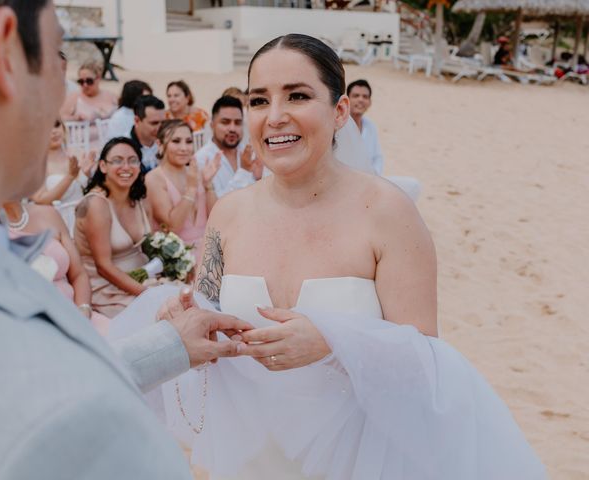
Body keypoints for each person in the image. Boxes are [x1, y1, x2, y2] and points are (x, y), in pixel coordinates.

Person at [110, 34, 546, 479]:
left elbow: (426, 365)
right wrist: (184, 315)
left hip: (359, 454)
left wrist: (334, 345)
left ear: (339, 112)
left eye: (297, 96)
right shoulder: (229, 213)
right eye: (259, 100)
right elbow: (207, 306)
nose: (275, 117)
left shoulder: (389, 213)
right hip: (249, 451)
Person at [0, 3, 250, 476]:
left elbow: (52, 379)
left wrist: (170, 344)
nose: (66, 102)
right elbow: (51, 403)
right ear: (2, 54)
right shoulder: (73, 426)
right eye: (58, 59)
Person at [74, 137, 159, 318]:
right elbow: (103, 267)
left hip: (143, 278)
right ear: (103, 166)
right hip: (108, 289)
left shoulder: (139, 199)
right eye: (117, 161)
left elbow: (150, 244)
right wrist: (148, 294)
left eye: (133, 160)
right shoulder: (96, 204)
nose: (126, 167)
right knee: (163, 313)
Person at [3, 200, 111, 335]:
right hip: (36, 330)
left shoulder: (48, 213)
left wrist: (83, 310)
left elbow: (78, 274)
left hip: (80, 316)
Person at [145, 120, 220, 262]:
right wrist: (191, 189)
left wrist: (208, 184)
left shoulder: (194, 172)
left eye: (189, 141)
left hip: (210, 252)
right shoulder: (154, 178)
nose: (184, 148)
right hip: (178, 260)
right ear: (159, 145)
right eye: (176, 141)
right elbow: (172, 227)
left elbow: (216, 217)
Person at [31, 118, 95, 232]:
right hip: (58, 222)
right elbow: (40, 200)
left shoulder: (77, 153)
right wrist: (70, 177)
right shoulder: (37, 164)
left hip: (84, 216)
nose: (54, 131)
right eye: (47, 128)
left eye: (56, 125)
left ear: (63, 128)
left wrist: (87, 174)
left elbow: (85, 190)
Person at [194, 96, 264, 198]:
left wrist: (258, 179)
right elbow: (217, 205)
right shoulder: (201, 159)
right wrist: (244, 172)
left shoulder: (249, 153)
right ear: (212, 125)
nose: (232, 128)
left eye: (238, 123)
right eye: (225, 122)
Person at [346, 79, 384, 175]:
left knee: (413, 185)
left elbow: (378, 158)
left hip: (371, 180)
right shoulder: (338, 126)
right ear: (346, 100)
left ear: (370, 102)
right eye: (356, 96)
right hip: (345, 181)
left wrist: (375, 178)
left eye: (365, 97)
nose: (361, 100)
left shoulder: (370, 126)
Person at [130, 94, 166, 173]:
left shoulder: (168, 141)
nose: (160, 128)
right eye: (154, 123)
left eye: (163, 122)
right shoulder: (124, 146)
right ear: (137, 121)